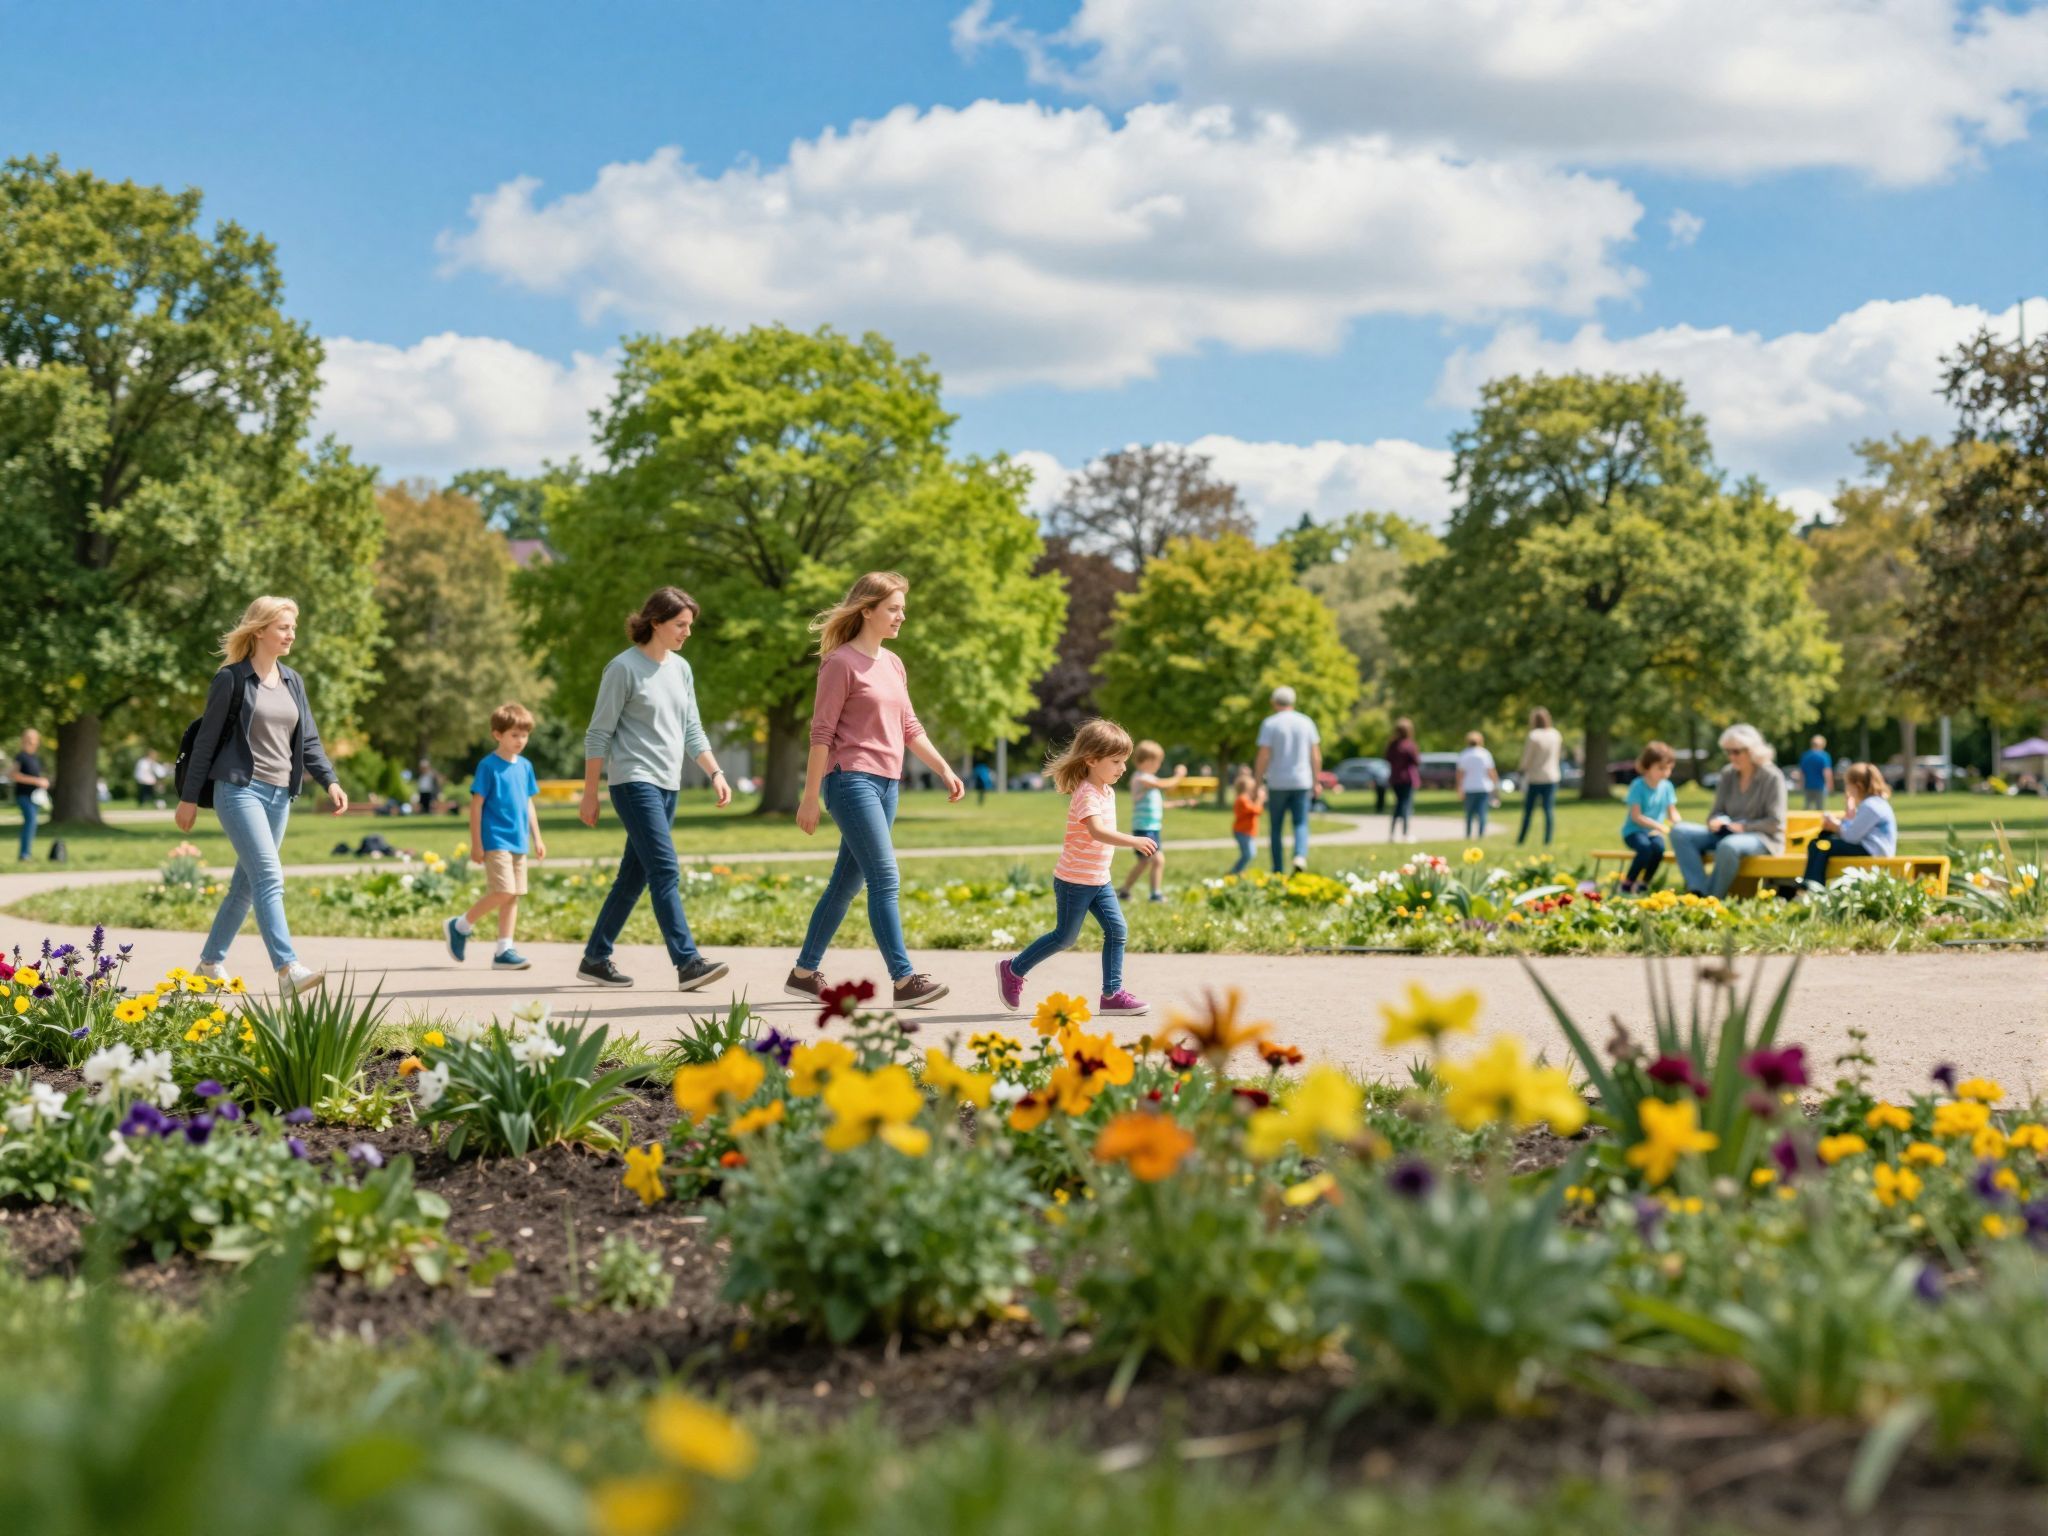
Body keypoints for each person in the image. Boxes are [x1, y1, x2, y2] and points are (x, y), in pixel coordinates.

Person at [787, 572, 961, 1009]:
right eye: (894, 608)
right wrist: (810, 797)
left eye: (902, 608)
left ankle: (803, 973)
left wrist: (943, 768)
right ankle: (904, 981)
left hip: (888, 783)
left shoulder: (893, 663)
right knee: (885, 878)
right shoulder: (839, 663)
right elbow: (821, 734)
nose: (902, 615)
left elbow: (909, 726)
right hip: (850, 780)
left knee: (846, 883)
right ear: (867, 610)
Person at [176, 596, 349, 997]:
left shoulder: (292, 680)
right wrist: (188, 798)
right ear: (259, 631)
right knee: (269, 876)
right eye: (283, 627)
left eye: (293, 627)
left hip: (279, 795)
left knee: (247, 885)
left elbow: (307, 739)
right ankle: (288, 968)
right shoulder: (231, 679)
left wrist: (330, 780)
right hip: (239, 791)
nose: (291, 634)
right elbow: (204, 744)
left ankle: (208, 964)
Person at [576, 586, 733, 992]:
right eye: (681, 625)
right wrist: (590, 792)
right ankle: (687, 962)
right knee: (664, 868)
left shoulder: (681, 669)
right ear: (656, 622)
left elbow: (691, 729)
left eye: (689, 626)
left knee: (634, 876)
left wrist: (715, 772)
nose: (687, 633)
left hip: (668, 784)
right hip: (633, 781)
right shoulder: (623, 669)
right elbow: (598, 734)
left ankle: (595, 957)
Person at [996, 719, 1151, 1017]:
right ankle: (1013, 969)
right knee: (1065, 937)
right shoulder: (1087, 794)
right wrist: (1133, 840)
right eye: (1116, 761)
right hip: (1074, 881)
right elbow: (1096, 831)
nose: (1122, 768)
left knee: (1117, 930)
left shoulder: (1106, 790)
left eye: (1125, 762)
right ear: (1091, 760)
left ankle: (1112, 994)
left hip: (1098, 879)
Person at [445, 703, 547, 971]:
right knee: (504, 890)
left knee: (513, 896)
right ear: (497, 734)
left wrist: (537, 838)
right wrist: (477, 843)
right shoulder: (488, 766)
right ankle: (460, 925)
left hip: (519, 840)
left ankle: (504, 950)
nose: (520, 741)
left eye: (524, 735)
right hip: (495, 839)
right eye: (514, 735)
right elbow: (476, 806)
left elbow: (528, 804)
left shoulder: (525, 766)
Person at [1669, 723, 1788, 900]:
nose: (1731, 756)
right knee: (1679, 832)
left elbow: (1775, 822)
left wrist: (1742, 827)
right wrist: (1715, 821)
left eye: (1736, 752)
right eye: (1728, 751)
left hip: (1763, 838)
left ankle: (1712, 899)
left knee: (1729, 845)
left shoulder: (1772, 776)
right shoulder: (1727, 774)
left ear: (1752, 750)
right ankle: (1698, 891)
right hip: (1727, 833)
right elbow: (1715, 812)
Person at [1796, 762, 1898, 892]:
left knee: (1821, 845)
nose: (1846, 790)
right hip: (1870, 848)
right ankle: (1810, 883)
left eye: (1848, 785)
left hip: (1874, 851)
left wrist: (1836, 826)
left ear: (1858, 786)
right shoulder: (1875, 803)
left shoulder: (1871, 806)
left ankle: (1813, 887)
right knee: (1821, 841)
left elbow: (1851, 837)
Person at [1254, 686, 1321, 872]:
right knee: (1300, 823)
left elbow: (1263, 756)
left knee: (1276, 828)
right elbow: (1315, 756)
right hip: (1302, 781)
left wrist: (1257, 782)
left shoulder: (1270, 723)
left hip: (1277, 782)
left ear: (1274, 702)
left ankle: (1277, 869)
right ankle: (1299, 855)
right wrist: (1316, 781)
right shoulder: (1306, 722)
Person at [1117, 740, 1190, 903]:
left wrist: (1182, 803)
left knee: (1144, 862)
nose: (1159, 765)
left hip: (1153, 828)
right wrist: (1179, 775)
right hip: (1144, 828)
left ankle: (1124, 891)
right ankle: (1155, 894)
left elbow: (1160, 803)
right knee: (1157, 860)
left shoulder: (1150, 780)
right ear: (1149, 761)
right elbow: (1163, 784)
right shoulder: (1140, 778)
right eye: (1158, 762)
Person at [1619, 742, 1680, 894]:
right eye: (1661, 768)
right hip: (1634, 832)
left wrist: (1679, 825)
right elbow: (1636, 816)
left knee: (1658, 849)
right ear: (1647, 767)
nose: (1665, 772)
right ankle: (1628, 882)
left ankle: (1644, 883)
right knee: (1645, 848)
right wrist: (1658, 826)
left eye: (1669, 768)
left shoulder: (1667, 787)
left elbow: (1672, 812)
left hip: (1653, 833)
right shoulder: (1637, 786)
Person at [1517, 707, 1564, 845]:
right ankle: (1547, 840)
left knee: (1528, 811)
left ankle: (1521, 839)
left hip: (1535, 777)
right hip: (1552, 776)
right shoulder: (1555, 734)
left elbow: (1527, 758)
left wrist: (1521, 769)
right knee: (1548, 810)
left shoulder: (1534, 735)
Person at [12, 730, 49, 862]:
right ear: (24, 740)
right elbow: (14, 775)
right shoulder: (20, 757)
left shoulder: (35, 758)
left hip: (34, 797)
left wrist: (43, 782)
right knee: (31, 822)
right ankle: (24, 855)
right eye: (29, 738)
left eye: (34, 739)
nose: (32, 741)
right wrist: (37, 781)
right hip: (23, 796)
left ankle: (26, 853)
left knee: (32, 823)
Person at [1456, 730, 1498, 838]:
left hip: (1469, 787)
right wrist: (1495, 786)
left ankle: (1468, 834)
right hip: (1483, 787)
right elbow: (1491, 772)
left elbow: (1460, 774)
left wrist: (1459, 787)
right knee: (1482, 813)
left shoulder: (1464, 754)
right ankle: (1481, 834)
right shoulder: (1485, 754)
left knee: (1469, 813)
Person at [1385, 718, 1420, 842]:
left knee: (1398, 805)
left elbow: (1387, 759)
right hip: (1407, 779)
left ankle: (1392, 833)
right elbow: (1416, 761)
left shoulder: (1392, 745)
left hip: (1395, 778)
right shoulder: (1409, 745)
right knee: (1405, 805)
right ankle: (1405, 833)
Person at [1229, 767, 1266, 876]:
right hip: (1242, 831)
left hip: (1247, 831)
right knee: (1249, 854)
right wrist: (1260, 799)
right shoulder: (1242, 799)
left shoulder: (1245, 799)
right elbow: (1257, 811)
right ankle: (1235, 871)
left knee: (1249, 853)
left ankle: (1239, 871)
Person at [1798, 735, 1833, 812]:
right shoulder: (1824, 756)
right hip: (1820, 786)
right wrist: (1830, 784)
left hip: (1808, 785)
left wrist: (1800, 784)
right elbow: (1827, 772)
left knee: (1807, 808)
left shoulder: (1805, 755)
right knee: (1820, 809)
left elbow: (1802, 772)